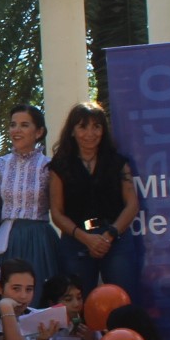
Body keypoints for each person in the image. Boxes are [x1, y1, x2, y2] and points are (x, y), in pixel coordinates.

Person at [47, 101, 142, 297]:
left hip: (116, 241)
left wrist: (109, 236)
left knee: (123, 299)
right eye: (83, 126)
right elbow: (56, 213)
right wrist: (87, 239)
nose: (90, 133)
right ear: (72, 131)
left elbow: (132, 205)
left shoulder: (118, 162)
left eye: (96, 126)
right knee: (77, 304)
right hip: (76, 241)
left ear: (103, 130)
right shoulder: (60, 166)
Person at [0, 104, 57, 273]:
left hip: (39, 238)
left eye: (24, 125)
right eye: (13, 125)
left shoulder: (49, 166)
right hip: (6, 239)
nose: (16, 130)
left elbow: (58, 207)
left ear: (38, 132)